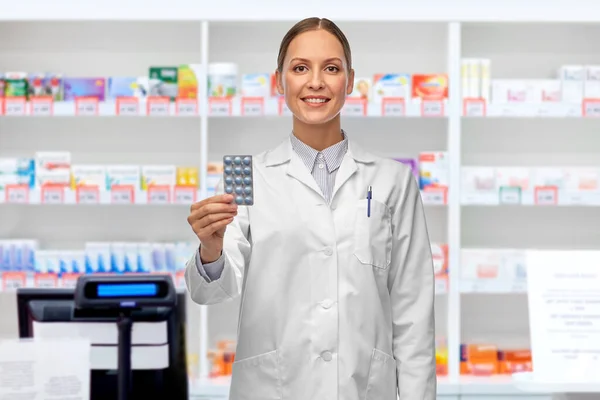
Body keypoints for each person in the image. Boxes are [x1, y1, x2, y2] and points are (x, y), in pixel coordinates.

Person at [185, 17, 436, 400]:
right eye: (300, 68)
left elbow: (413, 313)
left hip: (363, 389)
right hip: (273, 388)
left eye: (331, 68)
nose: (315, 82)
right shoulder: (248, 176)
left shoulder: (392, 181)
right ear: (279, 81)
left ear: (350, 81)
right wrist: (211, 249)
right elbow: (212, 292)